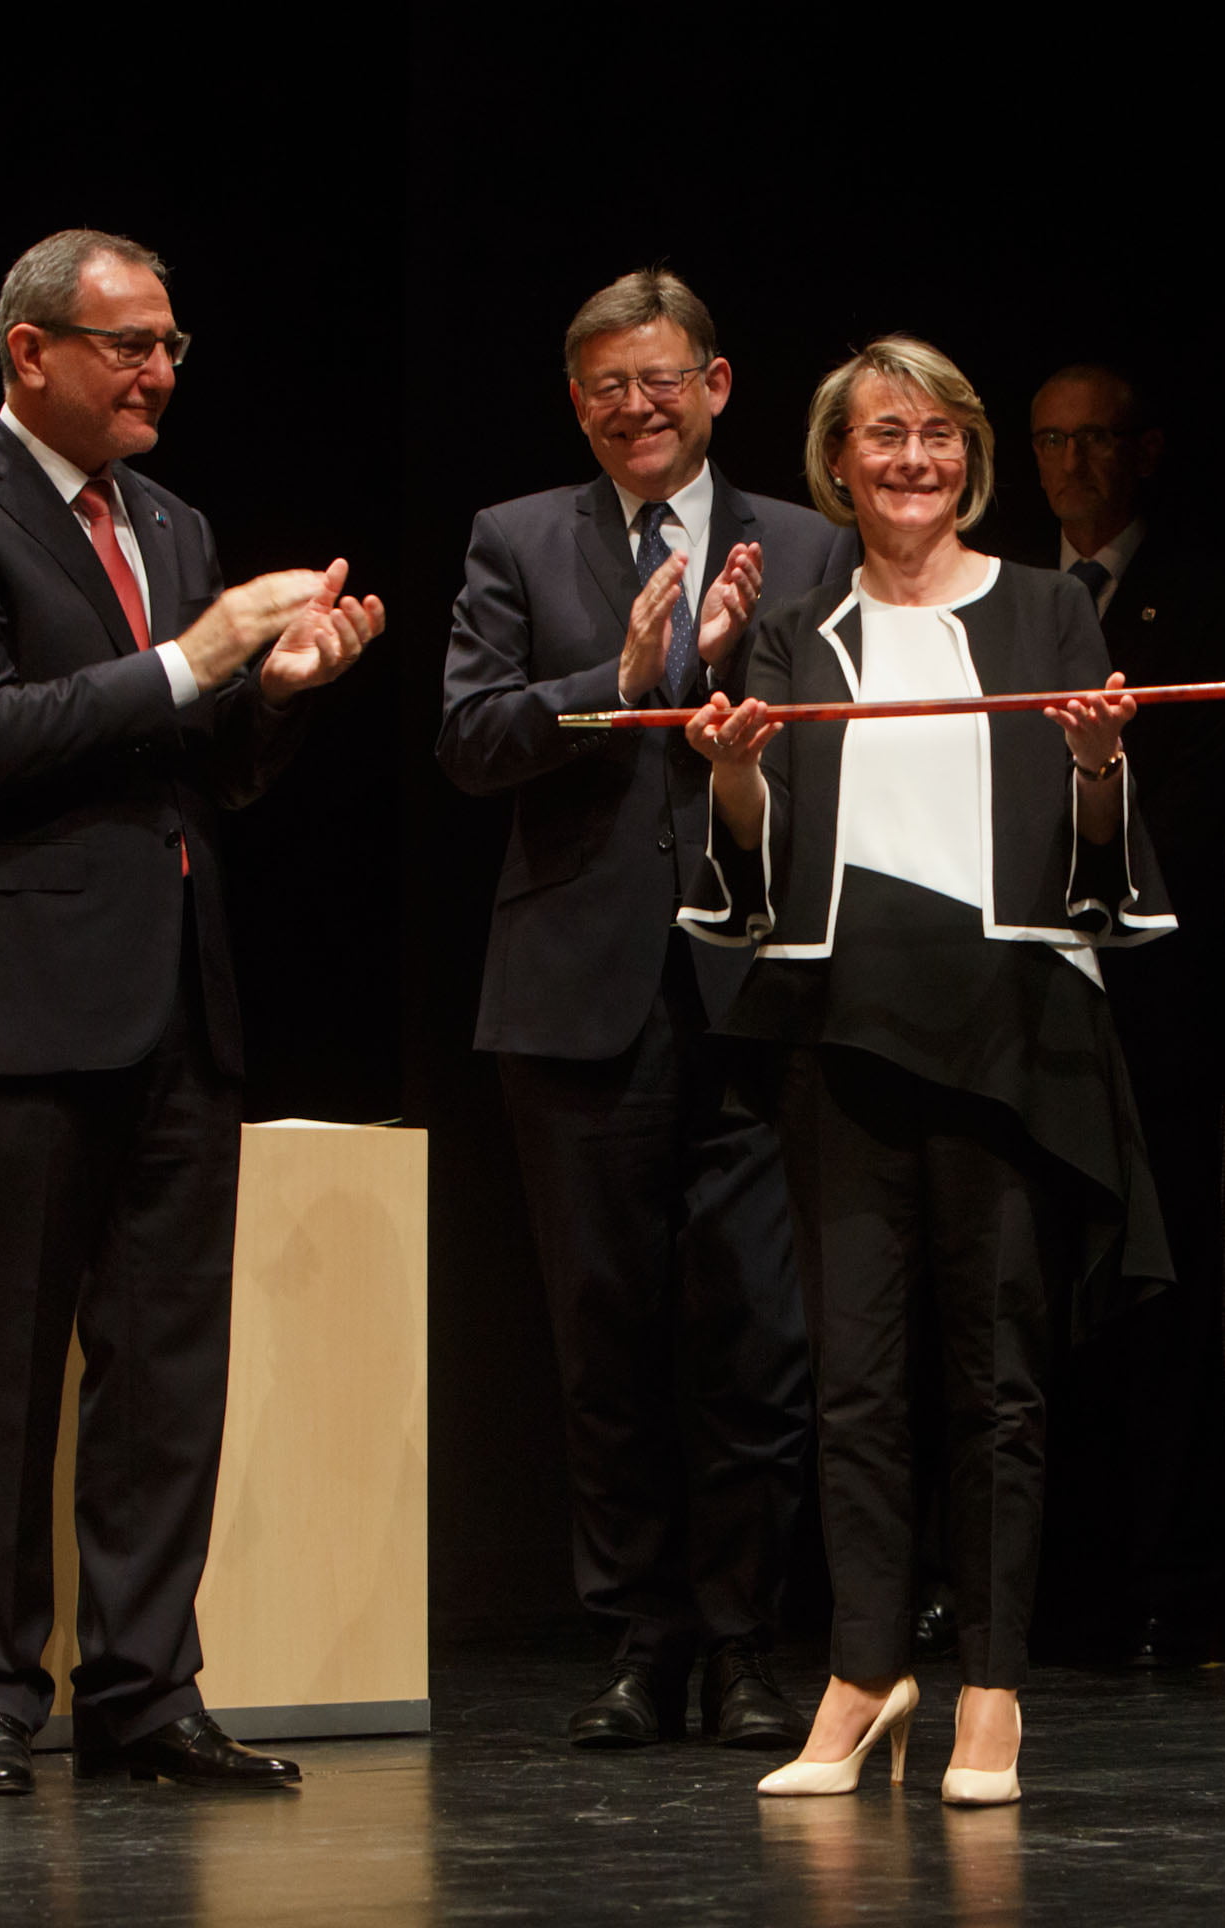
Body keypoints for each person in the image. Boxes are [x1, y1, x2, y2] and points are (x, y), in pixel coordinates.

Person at [0, 228, 385, 1795]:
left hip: (177, 997)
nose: (159, 371)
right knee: (4, 1368)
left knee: (166, 1371)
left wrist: (270, 691)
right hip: (23, 1000)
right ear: (31, 352)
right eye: (129, 344)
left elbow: (199, 769)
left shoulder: (169, 520)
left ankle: (146, 1691)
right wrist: (192, 656)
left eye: (171, 345)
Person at [678, 337, 1174, 1805]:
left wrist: (1098, 767)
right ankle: (862, 1672)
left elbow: (1100, 855)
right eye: (883, 435)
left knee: (998, 1385)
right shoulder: (797, 632)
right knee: (854, 1382)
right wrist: (734, 773)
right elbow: (757, 858)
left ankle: (994, 1688)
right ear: (839, 463)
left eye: (940, 434)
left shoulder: (1047, 611)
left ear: (972, 459)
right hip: (844, 1032)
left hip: (1006, 1031)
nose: (913, 459)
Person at [440, 267, 847, 1752]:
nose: (637, 408)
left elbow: (842, 752)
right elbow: (470, 739)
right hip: (575, 999)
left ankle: (745, 1642)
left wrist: (740, 675)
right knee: (603, 1339)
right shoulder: (516, 538)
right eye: (608, 386)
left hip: (757, 993)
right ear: (577, 402)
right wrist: (609, 683)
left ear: (717, 386)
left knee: (758, 1339)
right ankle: (639, 1639)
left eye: (661, 379)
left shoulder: (807, 544)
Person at [1028, 362, 1225, 1666]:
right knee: (1047, 1297)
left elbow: (1196, 796)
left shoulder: (1210, 599)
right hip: (1035, 1001)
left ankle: (1180, 1577)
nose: (1073, 465)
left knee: (1168, 1293)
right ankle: (1060, 1581)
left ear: (1146, 450)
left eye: (1096, 440)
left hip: (1160, 994)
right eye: (1051, 441)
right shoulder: (1012, 600)